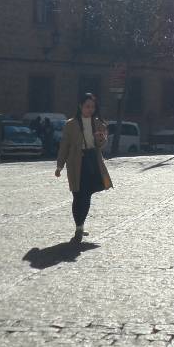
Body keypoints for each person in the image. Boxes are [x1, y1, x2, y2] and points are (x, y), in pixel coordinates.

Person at [55, 93, 113, 240]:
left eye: (92, 107)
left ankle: (80, 226)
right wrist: (59, 166)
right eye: (87, 106)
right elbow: (64, 146)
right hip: (76, 163)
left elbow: (101, 145)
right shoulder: (71, 124)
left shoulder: (99, 123)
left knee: (86, 195)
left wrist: (101, 139)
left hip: (92, 161)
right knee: (77, 194)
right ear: (80, 106)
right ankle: (78, 225)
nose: (90, 109)